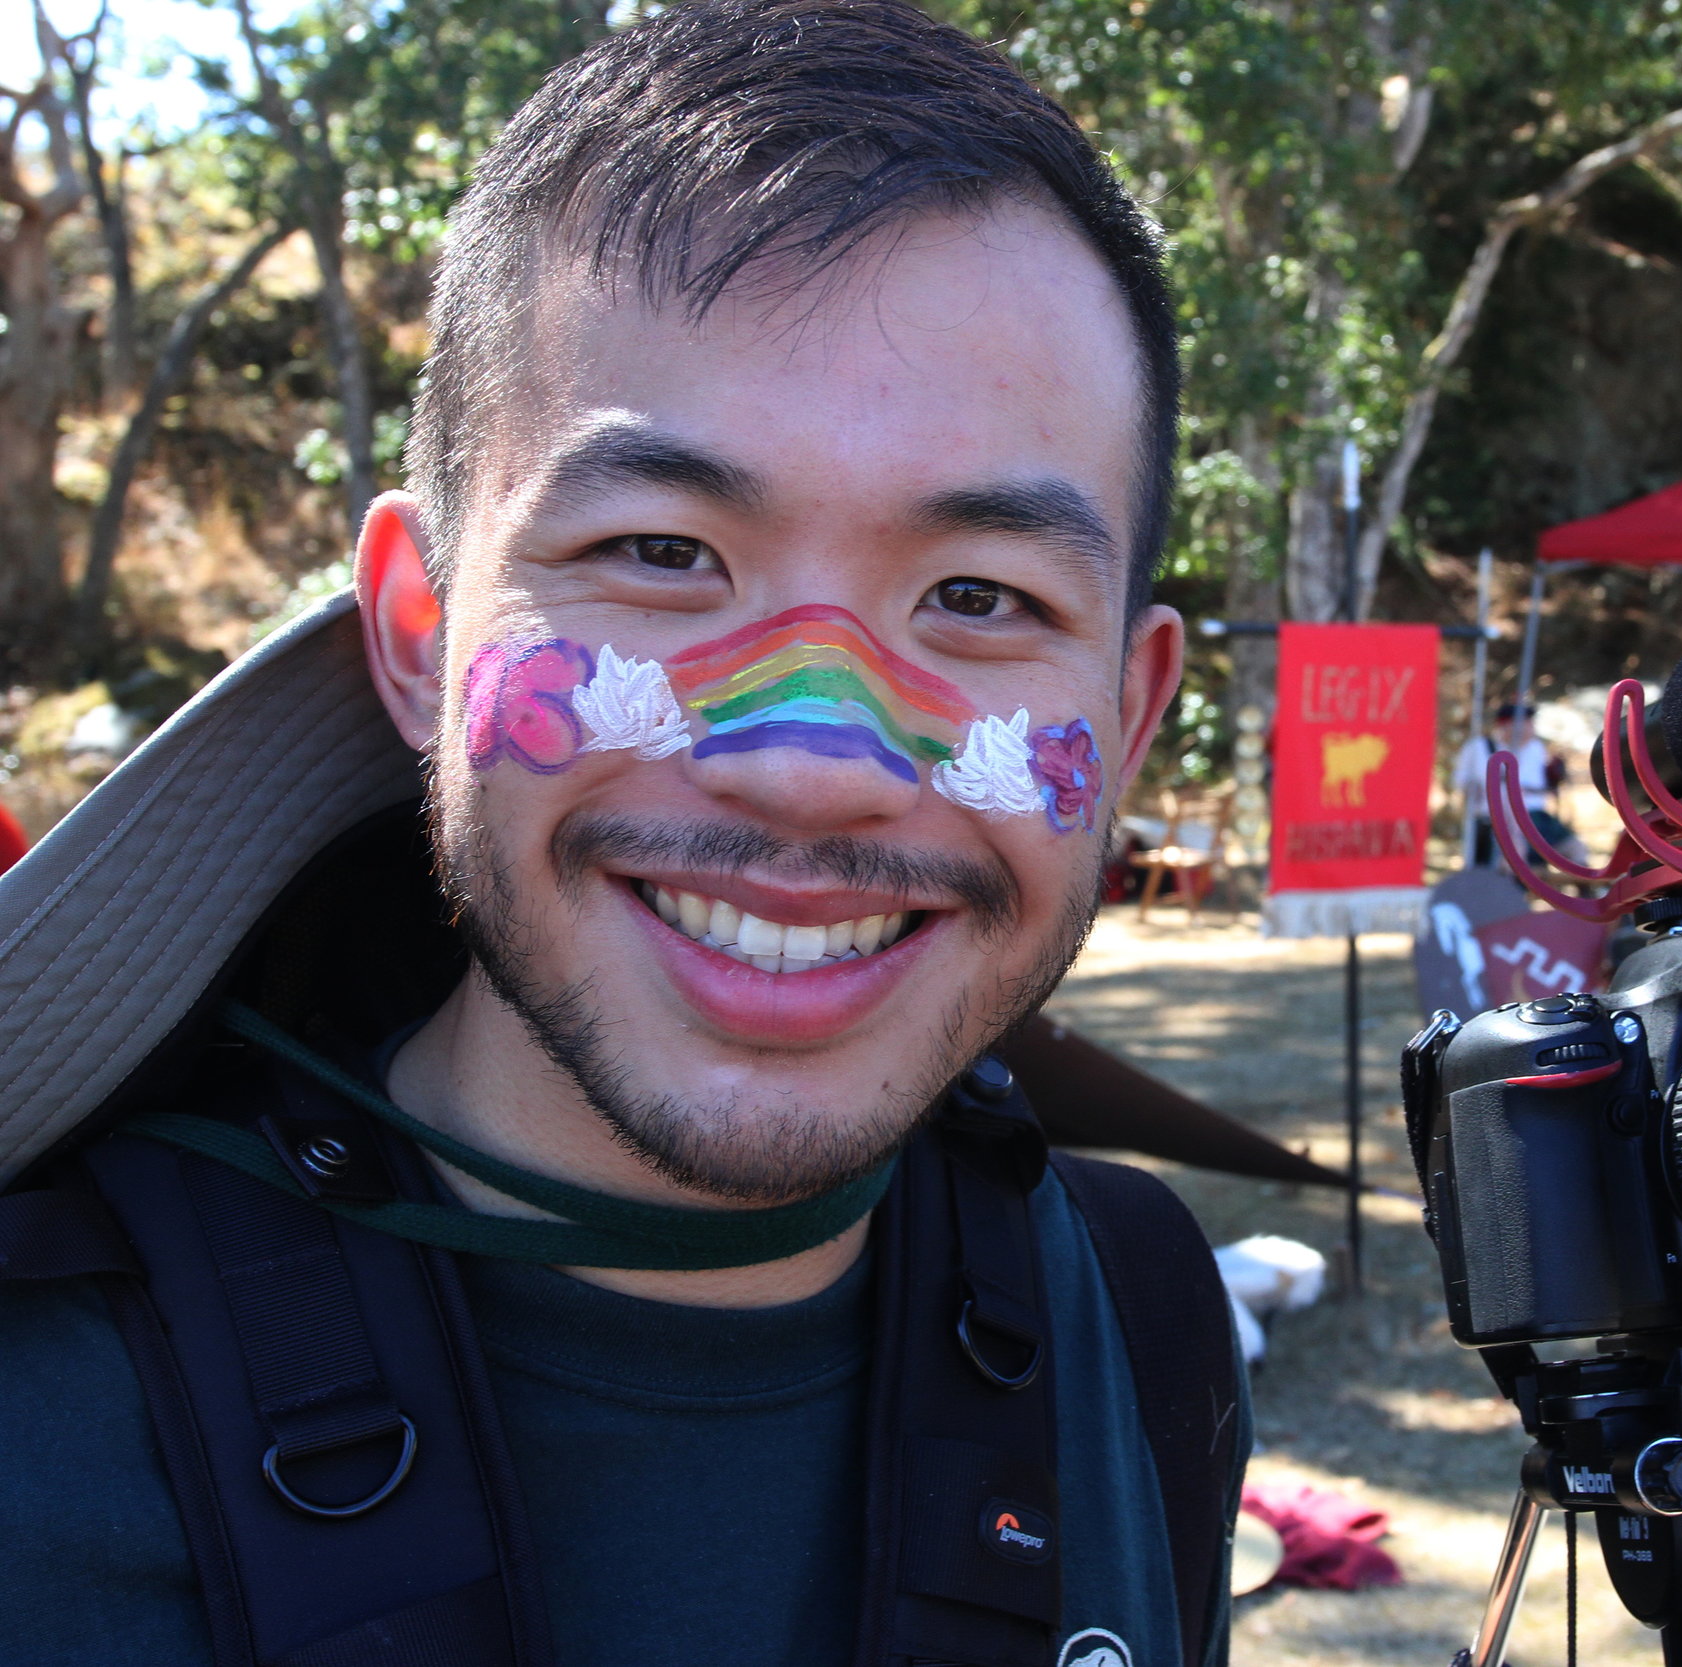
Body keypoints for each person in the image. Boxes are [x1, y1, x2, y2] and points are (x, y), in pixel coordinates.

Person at [0, 6, 1247, 1664]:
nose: (808, 770)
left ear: (1132, 711)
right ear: (419, 632)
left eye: (979, 595)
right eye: (663, 553)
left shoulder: (1136, 1321)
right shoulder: (37, 1435)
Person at [1454, 700, 1590, 868]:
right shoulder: (1479, 747)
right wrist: (1476, 792)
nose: (1531, 729)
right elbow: (1462, 782)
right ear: (1507, 726)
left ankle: (1581, 878)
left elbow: (1540, 783)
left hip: (1535, 816)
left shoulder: (1535, 748)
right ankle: (1514, 874)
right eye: (1526, 724)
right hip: (1497, 819)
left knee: (1575, 847)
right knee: (1515, 849)